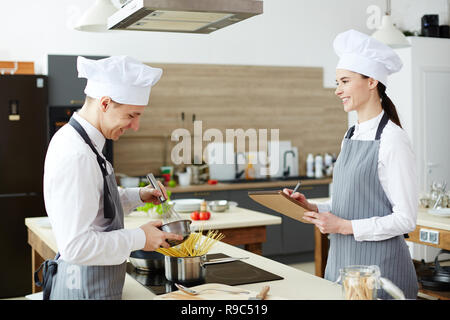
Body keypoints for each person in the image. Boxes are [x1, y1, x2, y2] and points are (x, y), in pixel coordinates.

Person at [284, 30, 418, 299]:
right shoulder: (351, 135)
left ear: (372, 81)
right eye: (337, 82)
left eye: (345, 81)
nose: (337, 90)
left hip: (381, 272)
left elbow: (406, 219)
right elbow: (353, 203)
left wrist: (343, 227)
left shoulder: (392, 139)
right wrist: (313, 207)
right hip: (343, 265)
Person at [39, 56, 183, 300]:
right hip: (83, 289)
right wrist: (141, 237)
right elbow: (76, 246)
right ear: (105, 103)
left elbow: (95, 203)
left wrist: (139, 195)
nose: (136, 126)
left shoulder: (85, 144)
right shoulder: (77, 155)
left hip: (94, 285)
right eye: (131, 115)